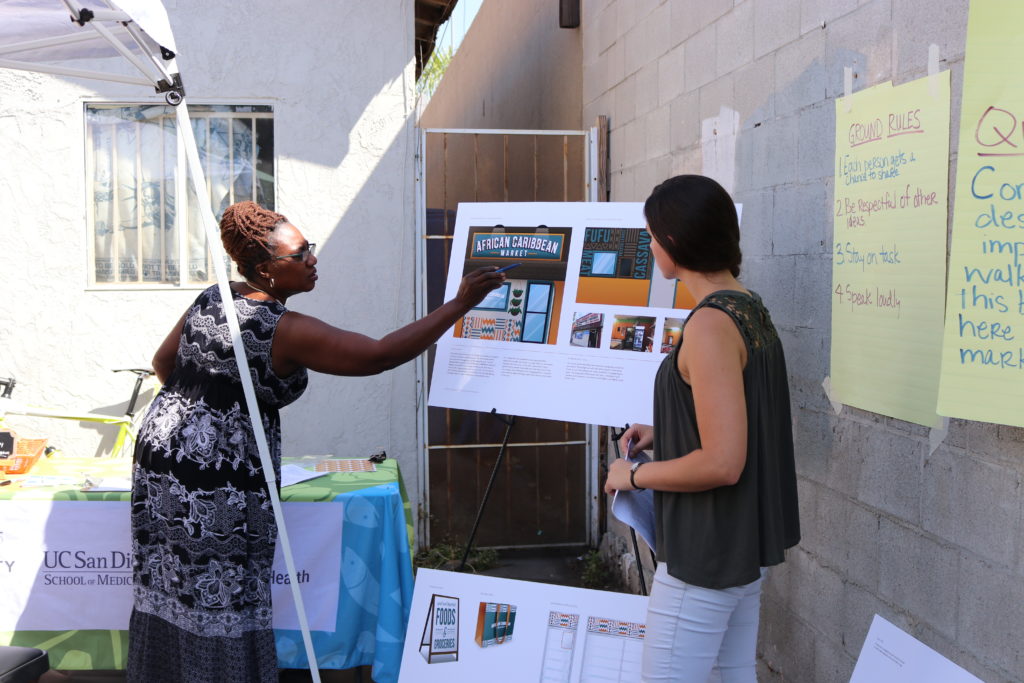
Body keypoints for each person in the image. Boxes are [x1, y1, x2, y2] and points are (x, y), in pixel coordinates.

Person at [127, 201, 505, 682]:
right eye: (300, 253)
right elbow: (379, 355)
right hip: (215, 480)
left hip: (162, 457)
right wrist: (461, 303)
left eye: (310, 248)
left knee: (171, 585)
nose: (312, 259)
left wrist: (202, 410)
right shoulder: (282, 329)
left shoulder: (212, 296)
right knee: (223, 596)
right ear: (265, 269)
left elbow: (165, 365)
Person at [604, 175, 800, 682]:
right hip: (736, 546)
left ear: (673, 242)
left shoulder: (710, 325)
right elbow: (734, 408)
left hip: (704, 554)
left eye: (651, 236)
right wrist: (664, 426)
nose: (649, 247)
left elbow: (723, 461)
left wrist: (633, 477)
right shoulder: (746, 306)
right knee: (733, 674)